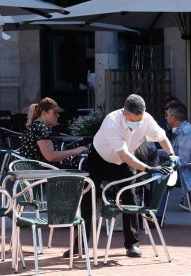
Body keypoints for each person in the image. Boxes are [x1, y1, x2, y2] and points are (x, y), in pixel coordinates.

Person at [63, 94, 176, 258]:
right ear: (124, 113)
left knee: (130, 196)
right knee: (88, 199)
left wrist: (172, 155)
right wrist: (148, 169)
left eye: (139, 120)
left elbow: (161, 137)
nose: (136, 124)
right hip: (100, 159)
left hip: (125, 161)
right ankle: (78, 245)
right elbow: (123, 154)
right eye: (132, 120)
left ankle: (133, 245)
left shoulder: (147, 120)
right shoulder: (112, 121)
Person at [163, 102, 191, 211]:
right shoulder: (183, 129)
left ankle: (157, 212)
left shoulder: (185, 132)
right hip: (190, 170)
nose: (165, 118)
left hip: (189, 173)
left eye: (166, 115)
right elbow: (175, 151)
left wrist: (163, 165)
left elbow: (183, 160)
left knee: (156, 177)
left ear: (173, 118)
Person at [20, 97, 88, 165]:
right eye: (54, 113)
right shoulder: (41, 128)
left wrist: (67, 154)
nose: (58, 115)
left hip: (34, 171)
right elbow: (50, 156)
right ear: (44, 113)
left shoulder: (35, 126)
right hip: (43, 173)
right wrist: (75, 151)